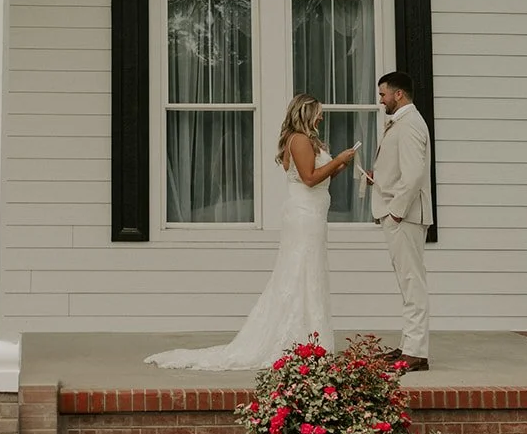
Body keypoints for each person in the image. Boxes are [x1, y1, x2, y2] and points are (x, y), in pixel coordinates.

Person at [145, 94, 355, 370]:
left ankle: (311, 336)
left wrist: (339, 166)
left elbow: (320, 179)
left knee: (309, 272)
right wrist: (337, 158)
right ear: (306, 113)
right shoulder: (299, 139)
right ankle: (300, 338)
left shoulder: (309, 140)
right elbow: (309, 178)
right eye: (318, 112)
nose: (321, 117)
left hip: (313, 214)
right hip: (304, 216)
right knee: (300, 271)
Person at [361, 71, 432, 372]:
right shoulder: (402, 123)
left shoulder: (411, 124)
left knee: (412, 282)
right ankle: (409, 345)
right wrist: (380, 179)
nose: (381, 100)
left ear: (398, 94)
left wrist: (397, 211)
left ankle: (417, 352)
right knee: (406, 282)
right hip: (397, 212)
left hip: (405, 216)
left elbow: (415, 173)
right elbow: (401, 169)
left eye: (383, 94)